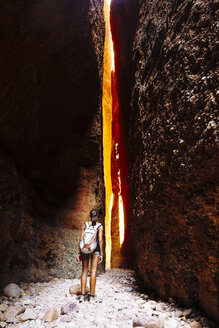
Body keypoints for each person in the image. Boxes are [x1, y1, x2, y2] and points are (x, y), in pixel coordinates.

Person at [77, 209, 103, 301]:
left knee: (84, 271)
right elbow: (100, 240)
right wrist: (101, 253)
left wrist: (79, 252)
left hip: (85, 249)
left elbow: (81, 239)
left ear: (89, 216)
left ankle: (83, 295)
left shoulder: (85, 224)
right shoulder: (99, 226)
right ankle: (92, 296)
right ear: (97, 216)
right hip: (95, 249)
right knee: (93, 272)